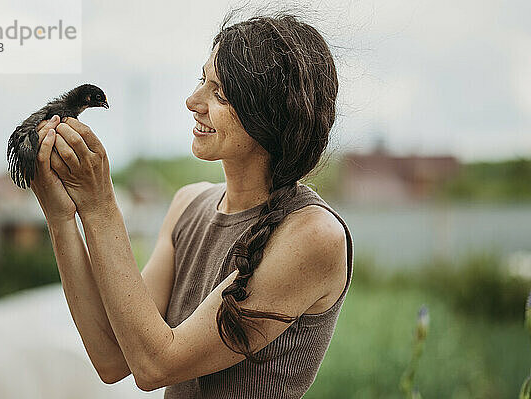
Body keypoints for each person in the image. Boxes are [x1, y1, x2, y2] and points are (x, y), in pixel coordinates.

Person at [30, 12, 354, 399]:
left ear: (267, 113)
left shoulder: (313, 235)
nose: (192, 101)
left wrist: (100, 206)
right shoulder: (188, 204)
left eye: (219, 92)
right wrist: (61, 214)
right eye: (202, 79)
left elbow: (155, 366)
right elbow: (113, 359)